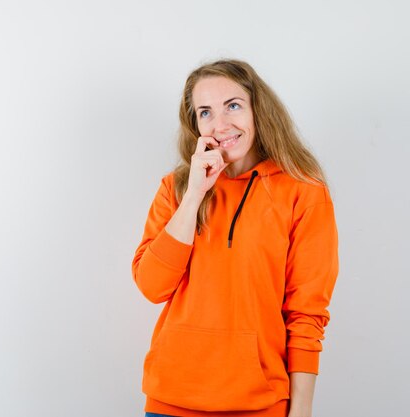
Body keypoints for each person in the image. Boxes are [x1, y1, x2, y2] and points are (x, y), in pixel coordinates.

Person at [131, 59, 339, 417]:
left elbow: (307, 314)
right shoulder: (176, 189)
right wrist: (195, 193)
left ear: (258, 108)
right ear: (195, 124)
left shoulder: (303, 191)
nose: (221, 124)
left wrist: (301, 410)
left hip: (259, 404)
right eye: (205, 112)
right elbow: (152, 286)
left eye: (233, 106)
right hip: (170, 402)